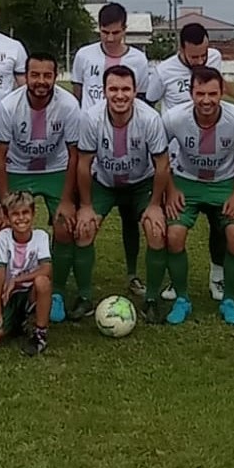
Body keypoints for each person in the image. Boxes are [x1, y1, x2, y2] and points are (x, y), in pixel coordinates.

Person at [76, 65, 171, 322]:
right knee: (84, 228)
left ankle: (151, 299)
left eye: (126, 89)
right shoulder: (91, 118)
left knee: (155, 229)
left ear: (135, 91)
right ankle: (84, 298)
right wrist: (85, 205)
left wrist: (154, 205)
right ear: (104, 91)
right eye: (114, 89)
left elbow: (162, 164)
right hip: (104, 183)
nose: (120, 95)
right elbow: (83, 163)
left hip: (141, 183)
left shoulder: (150, 118)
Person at [0, 50, 81, 324]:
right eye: (35, 75)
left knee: (65, 226)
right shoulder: (9, 106)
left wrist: (67, 199)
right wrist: (4, 200)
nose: (41, 81)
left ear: (56, 76)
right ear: (26, 77)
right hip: (19, 169)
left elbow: (74, 154)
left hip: (55, 169)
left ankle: (55, 292)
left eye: (47, 75)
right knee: (2, 227)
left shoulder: (68, 105)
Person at [71, 2, 152, 298]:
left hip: (129, 152)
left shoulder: (139, 60)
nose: (109, 38)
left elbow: (140, 100)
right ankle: (80, 290)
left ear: (125, 30)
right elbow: (79, 94)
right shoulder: (84, 55)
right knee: (83, 220)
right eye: (104, 32)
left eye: (115, 32)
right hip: (93, 150)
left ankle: (133, 275)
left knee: (133, 221)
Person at [161, 67, 234, 325]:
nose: (206, 100)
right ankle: (181, 298)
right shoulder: (174, 118)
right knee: (174, 235)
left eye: (212, 93)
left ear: (222, 91)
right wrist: (171, 190)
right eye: (200, 93)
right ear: (190, 92)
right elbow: (158, 153)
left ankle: (229, 300)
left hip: (223, 184)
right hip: (185, 183)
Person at [145, 22, 227, 302]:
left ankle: (218, 277)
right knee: (174, 225)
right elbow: (148, 103)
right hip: (177, 164)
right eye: (194, 57)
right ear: (181, 49)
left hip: (214, 157)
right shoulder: (163, 71)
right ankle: (173, 279)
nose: (200, 61)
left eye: (204, 55)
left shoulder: (214, 58)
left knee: (220, 224)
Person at [0, 190, 53, 356]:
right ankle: (19, 322)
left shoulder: (40, 236)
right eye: (15, 214)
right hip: (10, 294)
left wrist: (18, 279)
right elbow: (0, 271)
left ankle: (40, 333)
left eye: (25, 212)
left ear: (33, 214)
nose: (21, 218)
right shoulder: (3, 237)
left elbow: (46, 268)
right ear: (7, 217)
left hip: (31, 292)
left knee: (42, 280)